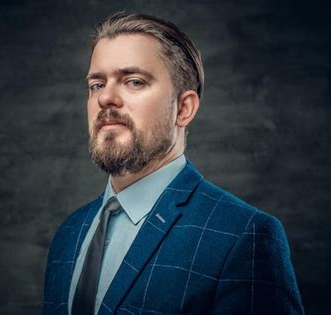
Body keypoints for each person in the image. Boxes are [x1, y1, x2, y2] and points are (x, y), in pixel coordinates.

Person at [43, 12, 304, 315]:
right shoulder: (69, 234)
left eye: (134, 81)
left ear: (183, 108)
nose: (106, 98)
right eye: (97, 84)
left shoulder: (246, 237)